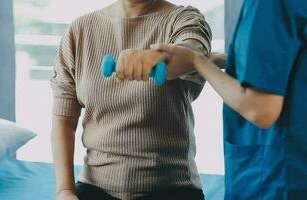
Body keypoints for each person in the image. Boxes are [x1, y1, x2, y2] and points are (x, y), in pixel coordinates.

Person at [120, 0, 307, 199]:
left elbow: (261, 110)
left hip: (278, 176)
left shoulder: (268, 4)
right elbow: (289, 60)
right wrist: (226, 60)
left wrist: (196, 60)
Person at [50, 0, 212, 199]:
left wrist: (157, 56)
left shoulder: (184, 20)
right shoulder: (79, 30)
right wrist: (65, 190)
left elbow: (193, 53)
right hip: (95, 186)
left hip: (171, 187)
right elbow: (63, 120)